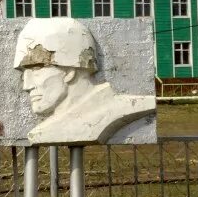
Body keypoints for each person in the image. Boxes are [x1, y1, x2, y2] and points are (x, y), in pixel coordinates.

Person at [12, 18, 153, 145]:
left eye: (36, 69)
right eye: (24, 73)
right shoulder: (46, 129)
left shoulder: (130, 107)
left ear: (70, 71)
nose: (26, 86)